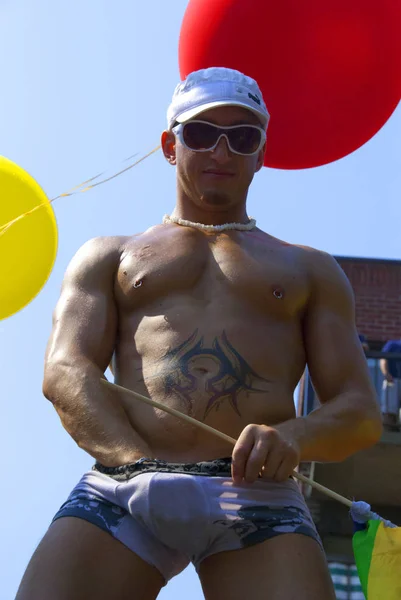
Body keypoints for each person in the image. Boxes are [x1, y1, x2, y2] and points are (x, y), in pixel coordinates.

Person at [16, 67, 383, 600]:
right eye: (201, 133)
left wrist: (294, 438)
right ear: (170, 144)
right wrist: (134, 464)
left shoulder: (311, 269)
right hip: (123, 484)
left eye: (242, 137)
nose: (222, 151)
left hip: (257, 497)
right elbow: (65, 370)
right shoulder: (108, 255)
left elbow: (359, 411)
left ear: (261, 152)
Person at [380, 338, 401, 431]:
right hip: (393, 380)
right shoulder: (392, 344)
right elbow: (383, 359)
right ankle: (388, 431)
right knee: (389, 410)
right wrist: (386, 374)